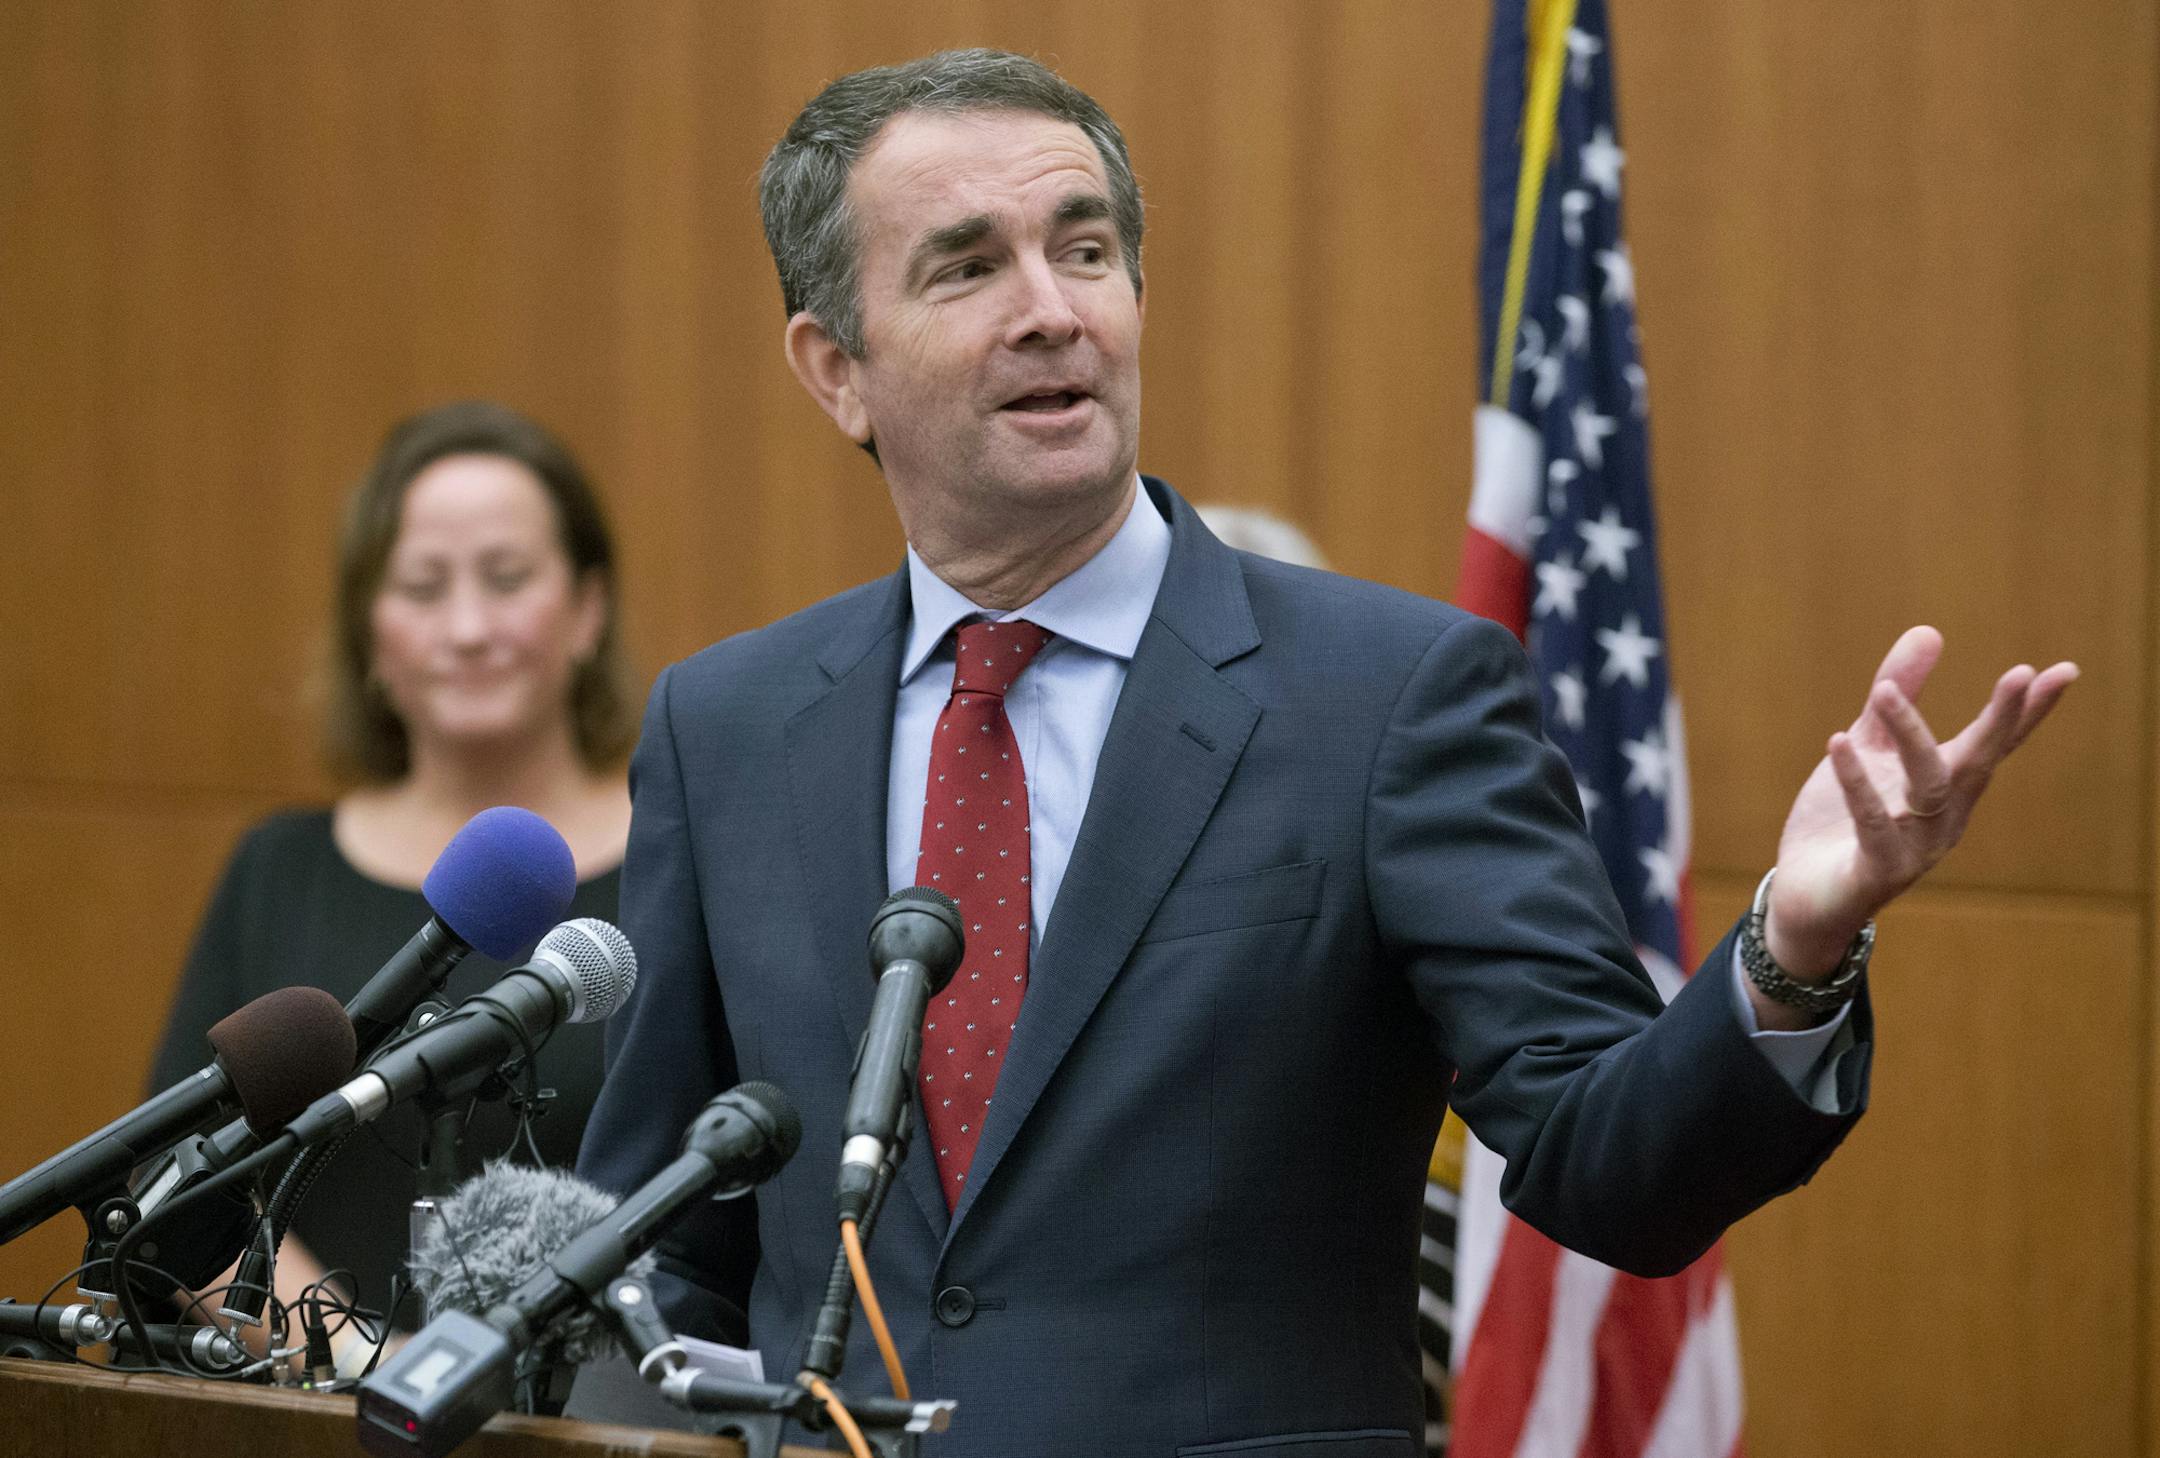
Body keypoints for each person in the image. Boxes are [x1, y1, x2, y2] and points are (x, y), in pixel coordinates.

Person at [576, 50, 2075, 1457]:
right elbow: (663, 1245)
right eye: (969, 267)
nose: (1053, 310)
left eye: (1085, 251)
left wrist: (1792, 948)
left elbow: (1610, 1161)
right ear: (836, 367)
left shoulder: (1388, 695)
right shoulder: (726, 727)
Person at [151, 400, 637, 1347]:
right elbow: (177, 1180)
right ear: (370, 633)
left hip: (594, 1410)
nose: (466, 627)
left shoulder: (677, 862)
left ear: (587, 610)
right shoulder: (276, 868)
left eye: (507, 579)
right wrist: (355, 1362)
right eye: (422, 586)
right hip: (307, 1406)